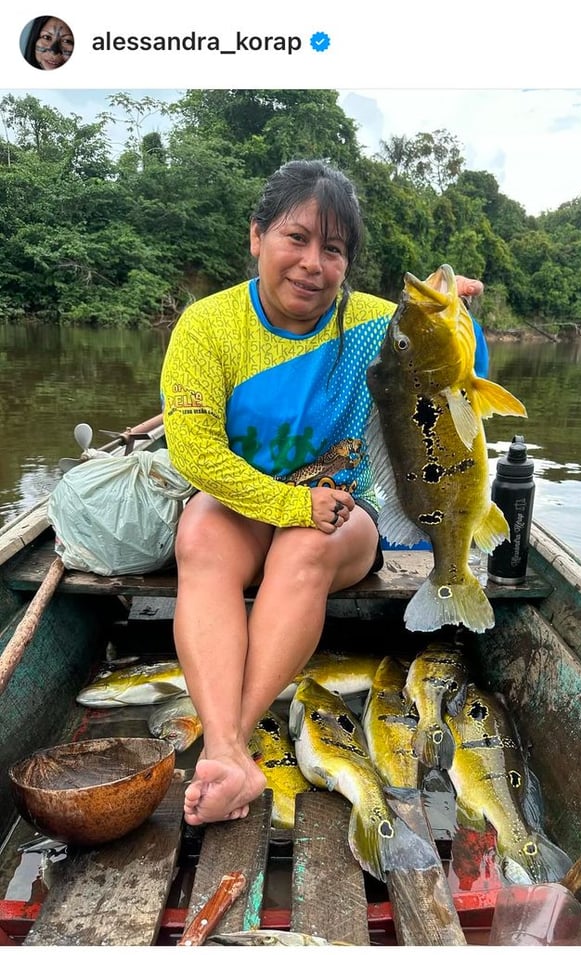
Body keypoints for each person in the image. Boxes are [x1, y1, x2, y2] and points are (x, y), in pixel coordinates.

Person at [160, 159, 487, 825]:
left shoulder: (376, 324)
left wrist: (461, 320)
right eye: (296, 238)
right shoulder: (207, 325)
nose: (313, 263)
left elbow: (458, 385)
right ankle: (232, 753)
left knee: (307, 547)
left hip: (343, 511)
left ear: (347, 264)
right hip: (245, 502)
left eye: (333, 250)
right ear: (257, 236)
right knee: (197, 533)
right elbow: (193, 449)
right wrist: (285, 503)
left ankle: (225, 743)